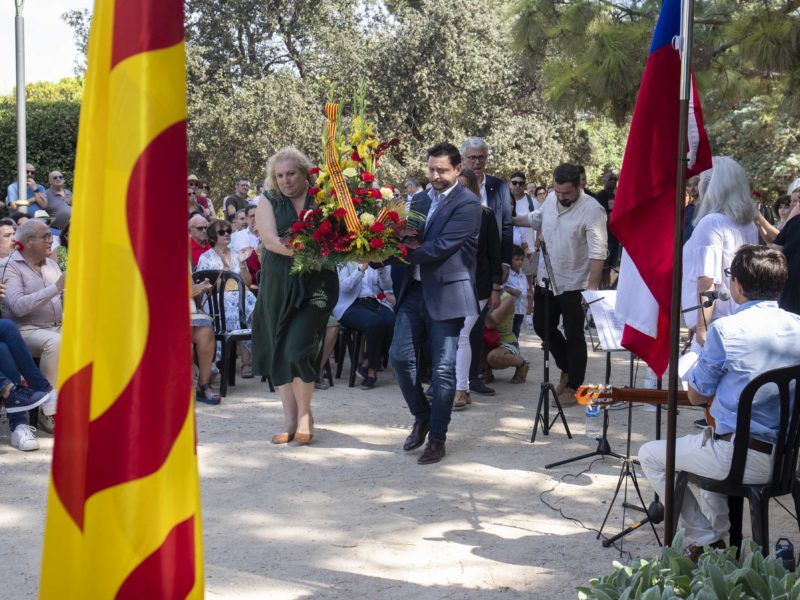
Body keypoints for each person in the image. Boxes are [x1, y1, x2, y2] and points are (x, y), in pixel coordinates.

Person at [639, 245, 800, 561]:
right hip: (786, 460)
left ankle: (708, 538)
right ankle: (719, 542)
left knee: (652, 454)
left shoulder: (726, 330)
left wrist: (693, 369)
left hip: (739, 459)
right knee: (710, 439)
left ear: (738, 285)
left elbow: (697, 395)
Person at [389, 142, 481, 465]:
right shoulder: (419, 198)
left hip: (448, 294)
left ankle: (438, 438)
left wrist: (399, 253)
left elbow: (441, 247)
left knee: (443, 371)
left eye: (442, 170)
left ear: (458, 170)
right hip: (413, 290)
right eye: (431, 169)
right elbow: (408, 235)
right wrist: (379, 248)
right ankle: (421, 415)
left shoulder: (468, 204)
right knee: (399, 357)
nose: (435, 176)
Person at [252, 148, 338, 445]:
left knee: (296, 345)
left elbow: (341, 235)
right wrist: (308, 252)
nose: (286, 181)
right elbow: (270, 240)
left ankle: (304, 416)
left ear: (305, 173)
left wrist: (327, 252)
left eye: (291, 174)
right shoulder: (269, 199)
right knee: (279, 346)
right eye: (280, 176)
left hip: (319, 284)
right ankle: (291, 418)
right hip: (279, 282)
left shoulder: (324, 199)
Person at [512, 163, 607, 405]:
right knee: (542, 326)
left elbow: (598, 253)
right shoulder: (552, 198)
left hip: (575, 283)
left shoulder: (593, 210)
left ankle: (574, 385)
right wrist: (509, 220)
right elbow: (537, 219)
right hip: (547, 277)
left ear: (579, 186)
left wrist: (592, 290)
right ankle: (566, 367)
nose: (561, 197)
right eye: (558, 192)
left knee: (574, 334)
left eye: (567, 193)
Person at [682, 157, 758, 352]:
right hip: (739, 318)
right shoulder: (748, 224)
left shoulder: (712, 222)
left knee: (698, 380)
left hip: (715, 323)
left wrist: (701, 327)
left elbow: (707, 281)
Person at [1, 219, 64, 433]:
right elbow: (18, 307)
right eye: (46, 236)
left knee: (93, 338)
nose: (51, 240)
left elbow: (64, 298)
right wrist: (56, 288)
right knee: (56, 343)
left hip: (56, 324)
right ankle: (49, 414)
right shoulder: (9, 266)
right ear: (28, 241)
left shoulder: (52, 264)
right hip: (25, 329)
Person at [452, 168, 501, 410]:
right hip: (451, 283)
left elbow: (494, 254)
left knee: (462, 334)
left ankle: (462, 389)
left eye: (464, 186)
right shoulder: (448, 213)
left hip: (478, 285)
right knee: (454, 335)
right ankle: (453, 385)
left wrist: (495, 288)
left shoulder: (486, 216)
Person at [196, 219, 257, 378]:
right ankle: (220, 363)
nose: (226, 235)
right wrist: (225, 270)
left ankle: (247, 363)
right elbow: (206, 287)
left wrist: (242, 265)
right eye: (221, 232)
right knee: (237, 312)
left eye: (228, 231)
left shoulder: (238, 254)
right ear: (213, 237)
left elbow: (248, 283)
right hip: (217, 301)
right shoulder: (206, 258)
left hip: (240, 297)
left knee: (249, 310)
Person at [333, 263, 395, 390]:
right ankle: (372, 372)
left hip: (374, 301)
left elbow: (387, 287)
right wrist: (361, 270)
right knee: (375, 323)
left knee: (391, 321)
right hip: (350, 305)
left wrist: (381, 269)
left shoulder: (378, 258)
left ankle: (367, 363)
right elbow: (345, 287)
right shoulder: (346, 259)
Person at [461, 137, 513, 267]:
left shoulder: (499, 186)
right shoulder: (455, 186)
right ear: (463, 160)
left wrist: (505, 262)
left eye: (481, 157)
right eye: (472, 157)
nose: (477, 162)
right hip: (461, 260)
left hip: (491, 262)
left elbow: (506, 226)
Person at [483, 293, 529, 384]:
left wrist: (480, 306)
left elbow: (491, 324)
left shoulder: (507, 298)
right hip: (483, 341)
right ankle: (484, 370)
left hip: (505, 343)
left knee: (494, 357)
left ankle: (522, 364)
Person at [191, 277, 221, 405]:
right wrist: (192, 290)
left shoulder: (184, 262)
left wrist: (200, 290)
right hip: (162, 313)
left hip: (188, 313)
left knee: (206, 332)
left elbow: (196, 302)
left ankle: (203, 386)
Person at [594, 170, 619, 289]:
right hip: (604, 236)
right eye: (610, 180)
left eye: (615, 180)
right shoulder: (601, 195)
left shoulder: (615, 196)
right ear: (605, 181)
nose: (613, 182)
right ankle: (600, 290)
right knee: (602, 266)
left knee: (609, 267)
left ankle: (607, 288)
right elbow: (601, 216)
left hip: (614, 236)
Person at [503, 245, 530, 339]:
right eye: (517, 259)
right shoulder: (506, 274)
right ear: (510, 260)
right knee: (508, 334)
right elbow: (500, 290)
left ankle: (514, 350)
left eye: (522, 259)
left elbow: (526, 291)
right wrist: (510, 290)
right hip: (509, 312)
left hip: (520, 311)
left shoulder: (522, 275)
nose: (520, 262)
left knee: (516, 333)